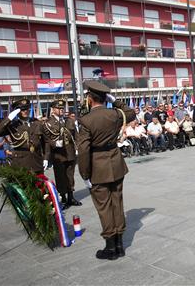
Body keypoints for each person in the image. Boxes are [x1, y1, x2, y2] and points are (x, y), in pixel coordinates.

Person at [77, 80, 135, 260]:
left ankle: (110, 248)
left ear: (90, 98)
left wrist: (84, 174)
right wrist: (116, 101)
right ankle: (119, 244)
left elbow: (84, 150)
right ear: (104, 97)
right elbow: (131, 113)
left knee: (104, 207)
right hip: (116, 163)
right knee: (117, 203)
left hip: (98, 167)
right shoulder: (114, 114)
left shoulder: (86, 120)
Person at [43, 99, 81, 209]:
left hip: (70, 153)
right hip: (58, 155)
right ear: (53, 110)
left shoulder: (69, 121)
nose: (61, 110)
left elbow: (76, 135)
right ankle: (63, 198)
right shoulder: (48, 123)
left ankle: (71, 197)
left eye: (62, 108)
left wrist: (77, 147)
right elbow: (46, 140)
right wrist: (54, 143)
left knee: (70, 175)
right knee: (60, 176)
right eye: (58, 108)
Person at [0, 98, 46, 173]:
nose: (25, 111)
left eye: (27, 109)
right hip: (21, 161)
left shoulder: (37, 123)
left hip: (36, 160)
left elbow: (44, 141)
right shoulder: (13, 125)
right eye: (22, 110)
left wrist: (46, 157)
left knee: (40, 183)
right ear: (17, 112)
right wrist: (9, 118)